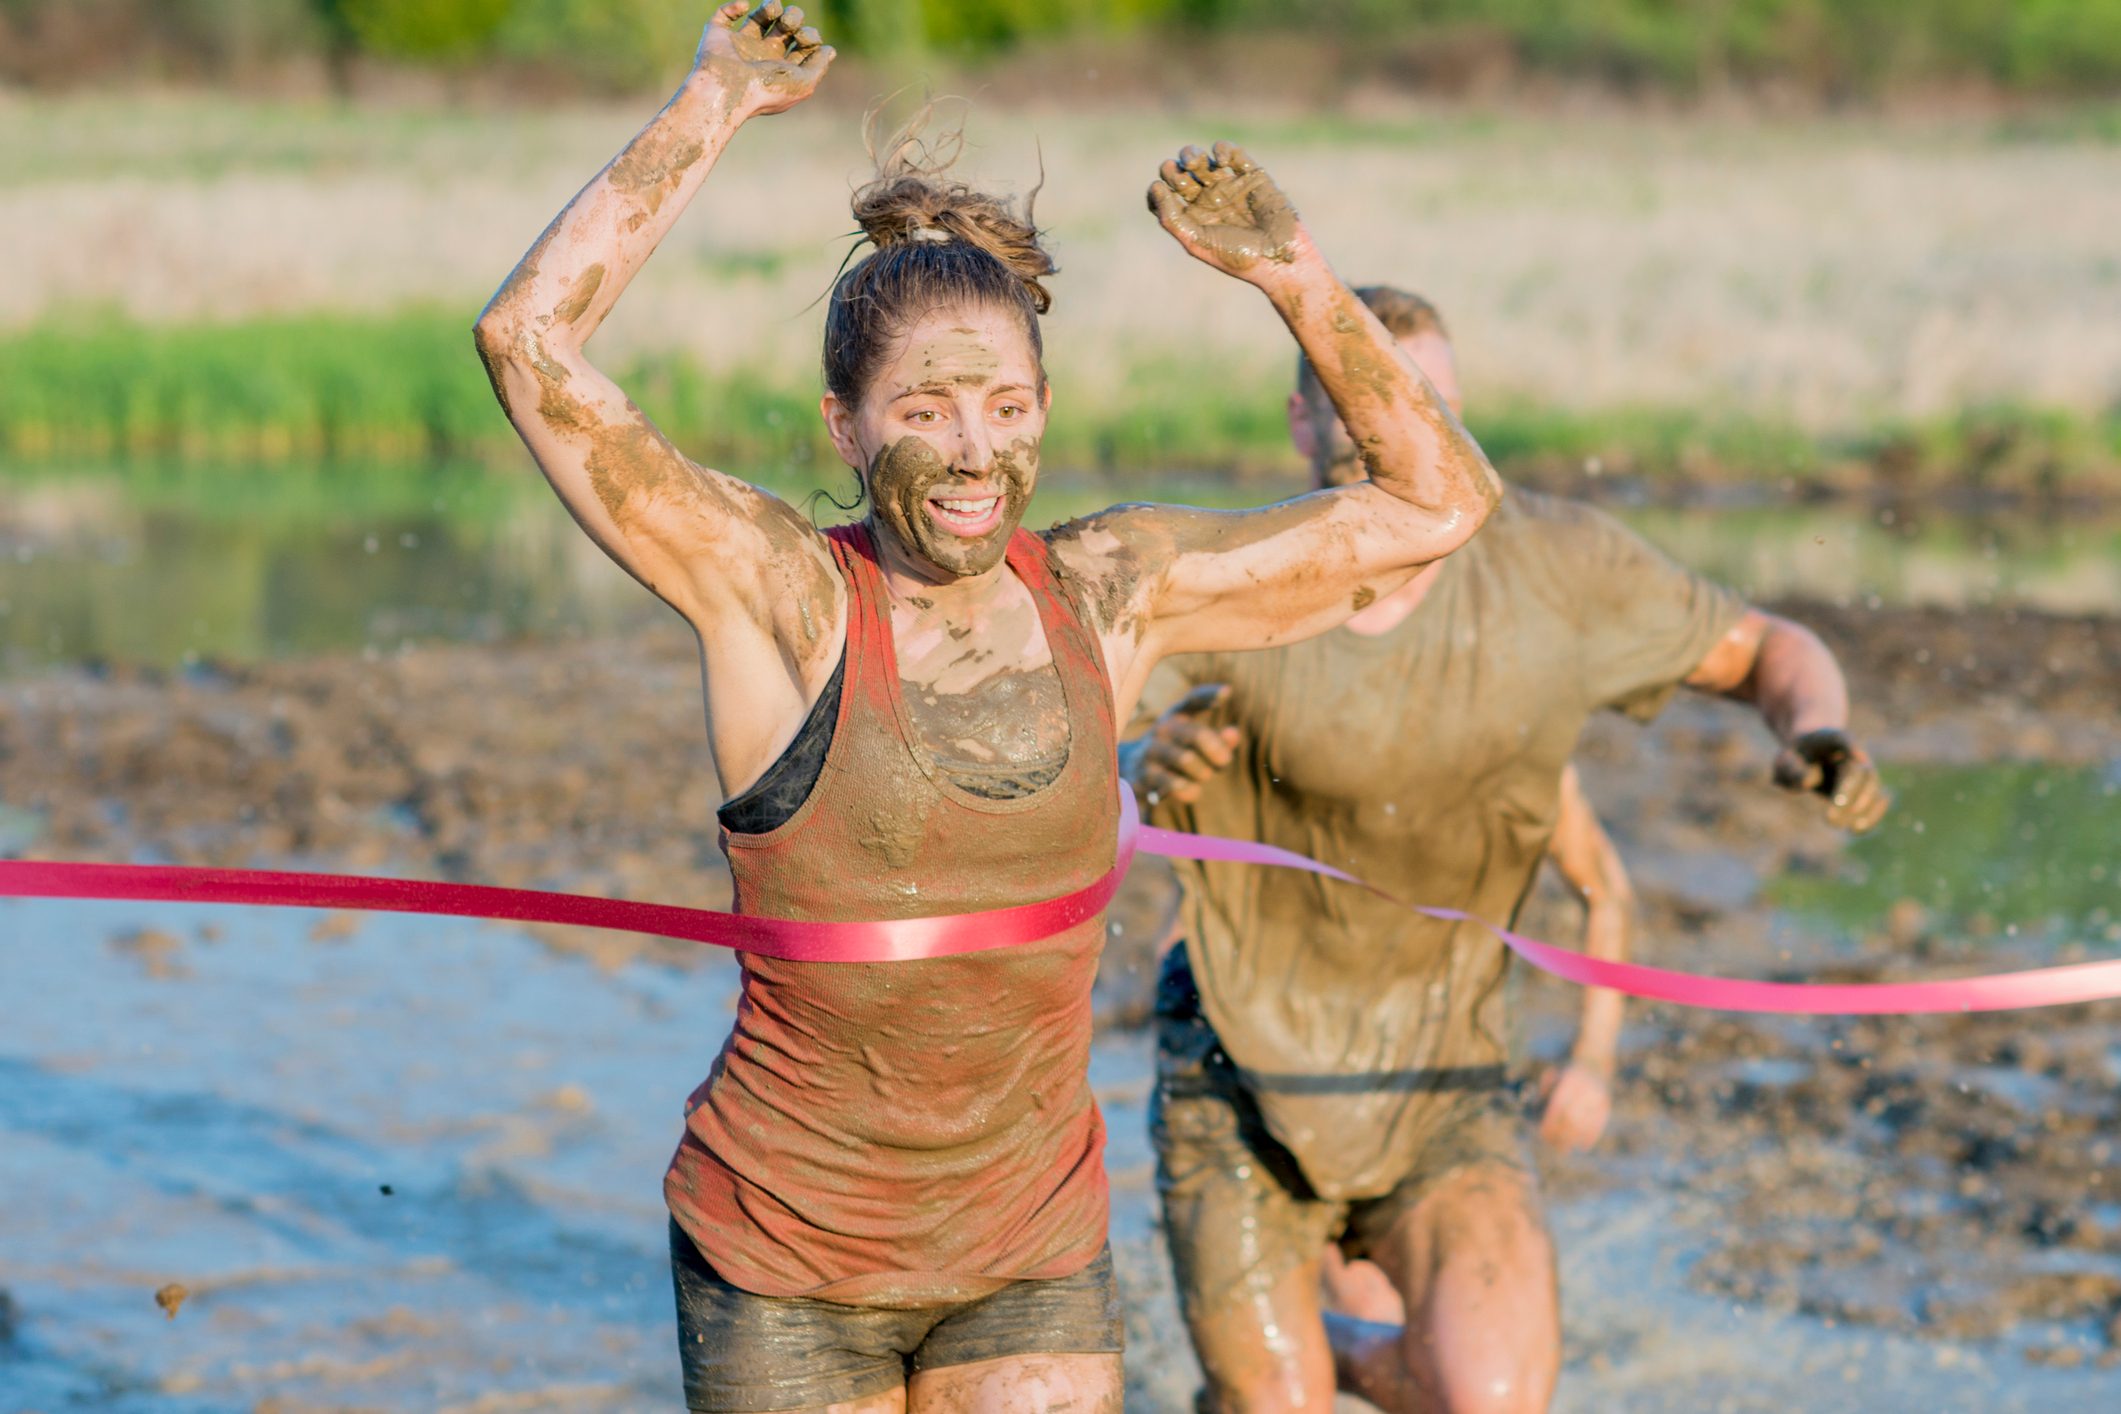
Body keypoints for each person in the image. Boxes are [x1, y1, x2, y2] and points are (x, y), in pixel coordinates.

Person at [471, 6, 1505, 1409]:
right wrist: (710, 106)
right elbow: (526, 339)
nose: (975, 451)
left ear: (1045, 403)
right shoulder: (776, 591)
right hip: (785, 1249)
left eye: (1008, 409)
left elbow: (1442, 503)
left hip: (1027, 1247)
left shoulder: (1113, 591)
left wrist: (1294, 277)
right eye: (928, 408)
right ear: (843, 423)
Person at [1126, 285, 1889, 1414]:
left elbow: (1766, 646)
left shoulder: (1557, 569)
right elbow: (1072, 722)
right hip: (1241, 1068)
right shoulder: (1233, 567)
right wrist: (1144, 760)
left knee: (1484, 1396)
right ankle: (1269, 1364)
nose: (1387, 417)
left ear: (1458, 417)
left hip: (1447, 1074)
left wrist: (1814, 728)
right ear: (1300, 420)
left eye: (1417, 394)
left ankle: (1306, 1346)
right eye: (1352, 393)